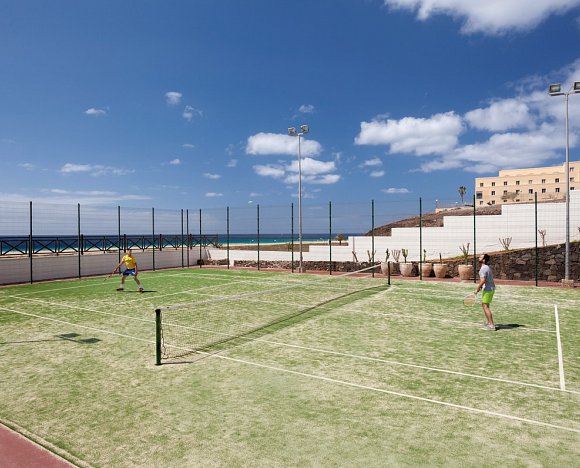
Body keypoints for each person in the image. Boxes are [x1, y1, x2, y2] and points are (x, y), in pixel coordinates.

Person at [475, 253, 495, 330]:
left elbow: (483, 280)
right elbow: (486, 280)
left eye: (481, 257)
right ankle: (489, 322)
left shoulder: (483, 269)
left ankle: (491, 325)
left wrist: (477, 288)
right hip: (490, 288)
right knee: (485, 305)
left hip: (488, 289)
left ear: (484, 260)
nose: (479, 258)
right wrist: (481, 287)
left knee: (485, 306)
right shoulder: (487, 267)